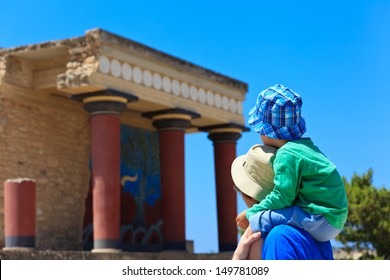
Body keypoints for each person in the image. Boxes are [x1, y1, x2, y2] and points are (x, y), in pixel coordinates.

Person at [234, 84, 348, 259]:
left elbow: (282, 197)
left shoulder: (286, 155)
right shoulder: (305, 147)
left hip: (320, 218)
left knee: (266, 219)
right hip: (333, 218)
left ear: (268, 132)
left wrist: (251, 214)